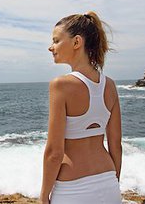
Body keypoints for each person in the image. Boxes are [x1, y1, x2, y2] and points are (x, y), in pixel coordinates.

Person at [39, 11, 123, 204]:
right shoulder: (109, 85)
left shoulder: (60, 85)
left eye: (56, 40)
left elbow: (54, 152)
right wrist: (113, 183)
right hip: (109, 182)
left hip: (73, 189)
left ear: (77, 42)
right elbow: (116, 145)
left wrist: (44, 196)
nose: (51, 47)